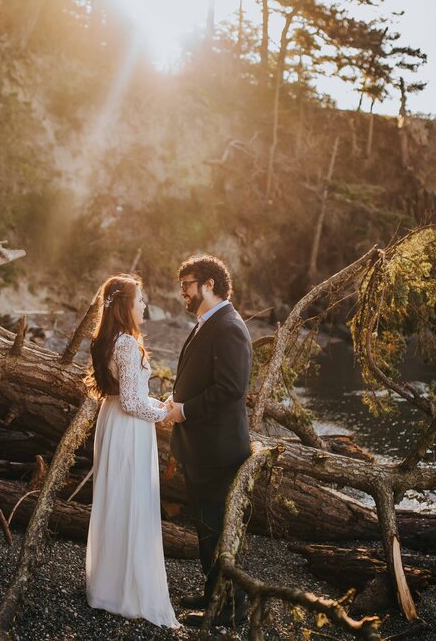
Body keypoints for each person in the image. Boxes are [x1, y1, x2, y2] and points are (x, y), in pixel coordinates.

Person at [84, 274, 180, 629]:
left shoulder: (113, 340)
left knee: (118, 498)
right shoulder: (125, 343)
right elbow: (131, 402)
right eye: (140, 300)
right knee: (130, 500)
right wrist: (165, 413)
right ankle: (125, 589)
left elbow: (128, 395)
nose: (144, 306)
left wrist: (157, 402)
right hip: (127, 429)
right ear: (125, 305)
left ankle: (109, 584)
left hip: (115, 422)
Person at [164, 254, 252, 629]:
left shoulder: (229, 326)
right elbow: (201, 376)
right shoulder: (208, 322)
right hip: (202, 448)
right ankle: (213, 590)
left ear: (209, 285)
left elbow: (231, 389)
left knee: (217, 529)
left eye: (187, 284)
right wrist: (176, 398)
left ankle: (231, 608)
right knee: (206, 526)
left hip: (218, 451)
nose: (182, 292)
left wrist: (184, 411)